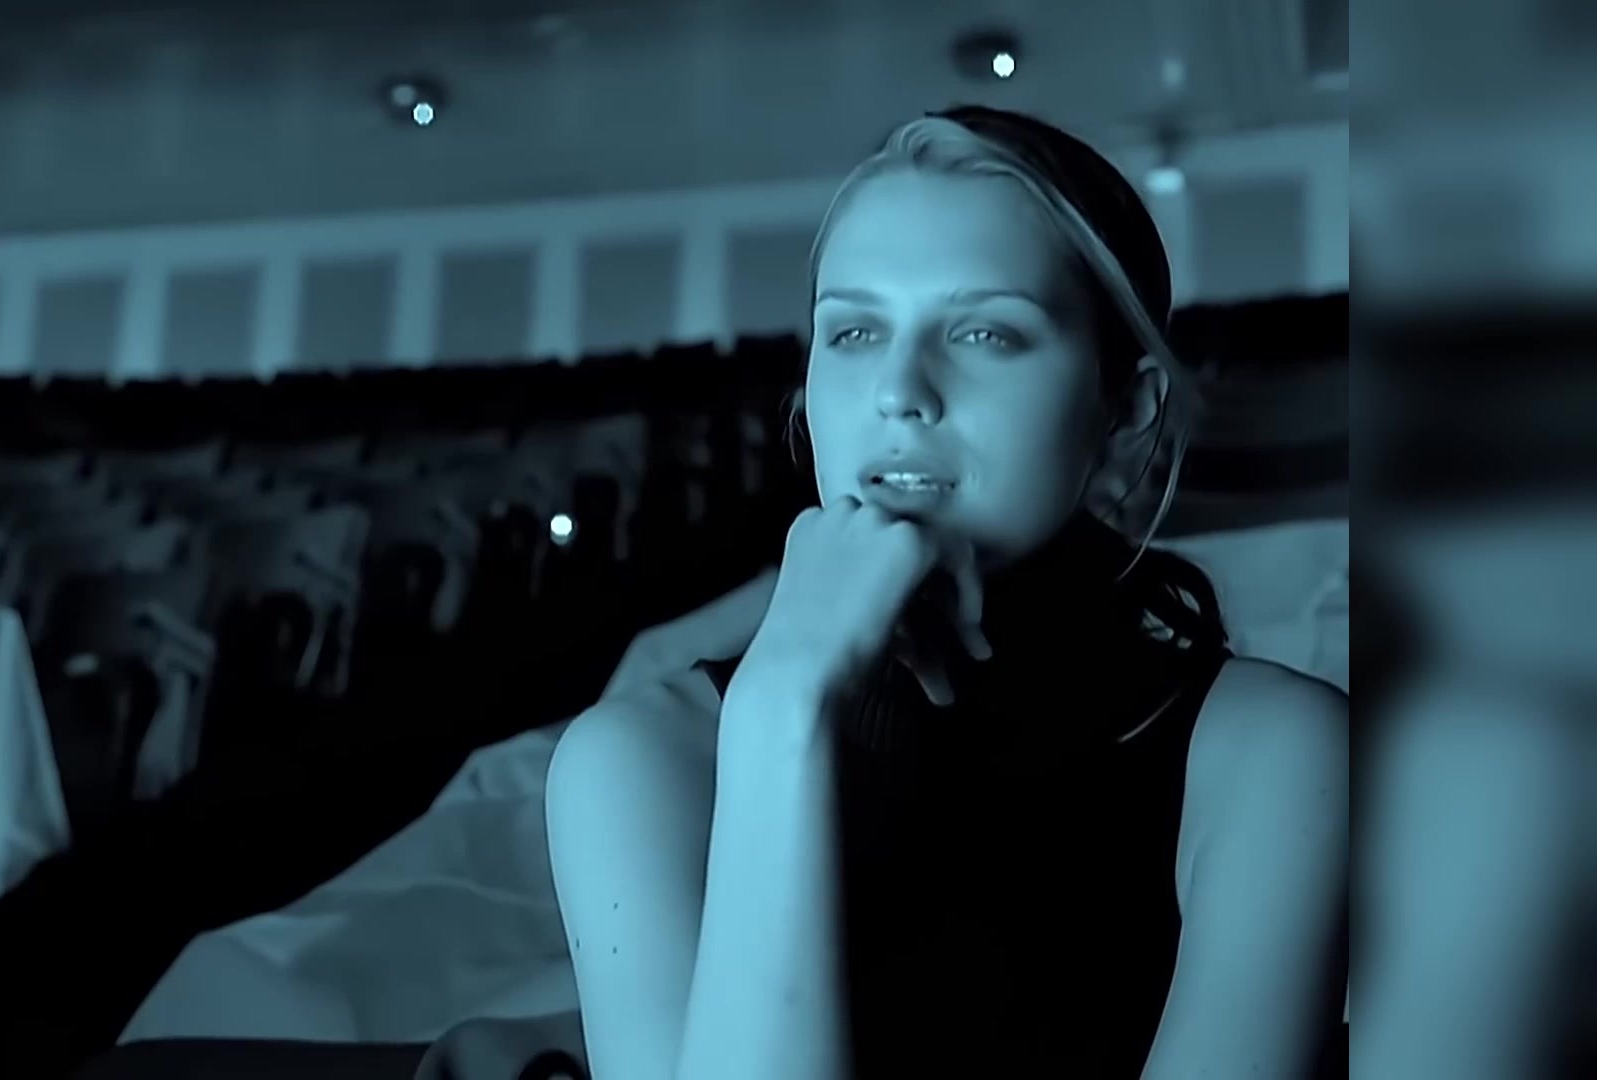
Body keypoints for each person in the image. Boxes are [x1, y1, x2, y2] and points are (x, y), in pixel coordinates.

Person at [544, 105, 1350, 1079]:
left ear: (1126, 405)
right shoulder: (641, 759)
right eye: (853, 331)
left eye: (984, 332)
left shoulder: (1274, 754)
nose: (899, 389)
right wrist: (781, 711)